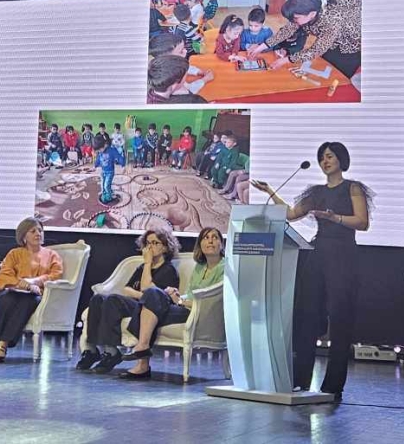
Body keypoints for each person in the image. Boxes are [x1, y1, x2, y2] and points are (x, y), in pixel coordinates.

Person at [253, 142, 371, 399]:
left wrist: (335, 218)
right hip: (319, 254)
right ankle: (300, 380)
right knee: (307, 315)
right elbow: (291, 214)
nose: (325, 161)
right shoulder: (316, 192)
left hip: (343, 255)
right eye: (322, 158)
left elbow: (362, 222)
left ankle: (333, 385)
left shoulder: (352, 188)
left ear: (341, 159)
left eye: (329, 156)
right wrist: (270, 191)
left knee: (340, 319)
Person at [121, 226, 227, 379]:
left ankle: (142, 349)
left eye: (215, 237)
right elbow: (189, 294)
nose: (210, 241)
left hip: (200, 314)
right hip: (186, 307)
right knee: (153, 300)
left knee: (153, 296)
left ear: (221, 244)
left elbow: (209, 301)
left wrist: (180, 301)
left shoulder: (225, 268)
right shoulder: (200, 267)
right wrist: (176, 295)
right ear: (200, 244)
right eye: (206, 238)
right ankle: (142, 354)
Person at [77, 228, 180, 374]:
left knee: (113, 300)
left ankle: (112, 352)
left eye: (155, 243)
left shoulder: (168, 269)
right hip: (137, 302)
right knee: (97, 299)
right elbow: (127, 289)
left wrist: (147, 264)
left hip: (149, 309)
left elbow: (147, 289)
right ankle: (92, 350)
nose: (150, 247)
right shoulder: (141, 267)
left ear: (165, 247)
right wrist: (141, 294)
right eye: (147, 243)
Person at [0, 218, 65, 362]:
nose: (38, 234)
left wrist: (34, 282)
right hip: (13, 290)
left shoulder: (52, 255)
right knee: (6, 298)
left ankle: (3, 342)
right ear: (23, 236)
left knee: (29, 300)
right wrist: (24, 284)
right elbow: (3, 276)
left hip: (35, 294)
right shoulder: (14, 253)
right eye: (33, 231)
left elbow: (55, 275)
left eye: (40, 230)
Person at [245, 0, 364, 86]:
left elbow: (315, 51)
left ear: (312, 14)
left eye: (296, 18)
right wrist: (260, 48)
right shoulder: (306, 9)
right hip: (334, 35)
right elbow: (287, 30)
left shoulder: (331, 21)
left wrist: (285, 60)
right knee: (325, 67)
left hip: (353, 44)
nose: (293, 21)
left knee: (338, 78)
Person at [96, 132, 127, 204]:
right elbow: (99, 158)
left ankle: (110, 198)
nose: (99, 151)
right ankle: (106, 194)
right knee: (102, 185)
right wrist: (95, 165)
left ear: (105, 144)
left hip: (110, 172)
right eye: (98, 150)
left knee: (106, 185)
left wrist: (123, 165)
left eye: (99, 149)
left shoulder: (112, 150)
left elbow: (119, 157)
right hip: (103, 171)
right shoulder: (100, 151)